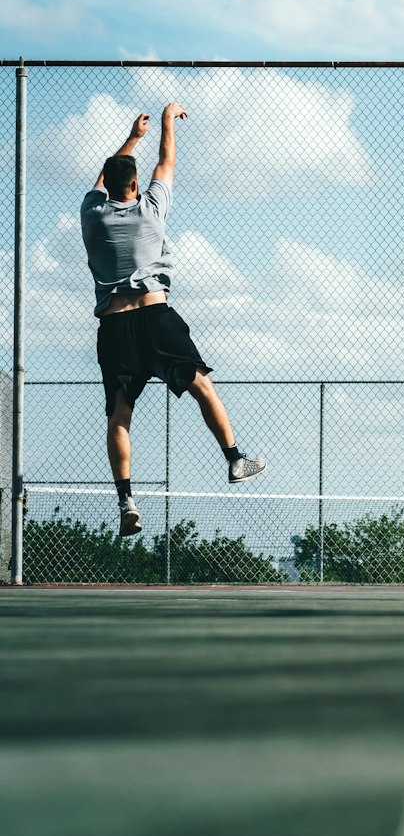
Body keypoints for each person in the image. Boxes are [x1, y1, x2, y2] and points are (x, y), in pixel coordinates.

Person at [80, 103, 265, 537]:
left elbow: (105, 178)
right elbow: (168, 161)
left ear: (107, 184)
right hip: (156, 315)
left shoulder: (92, 213)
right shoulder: (151, 209)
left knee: (119, 415)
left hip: (115, 326)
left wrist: (131, 139)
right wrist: (165, 122)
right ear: (136, 184)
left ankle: (126, 497)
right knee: (202, 385)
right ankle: (235, 459)